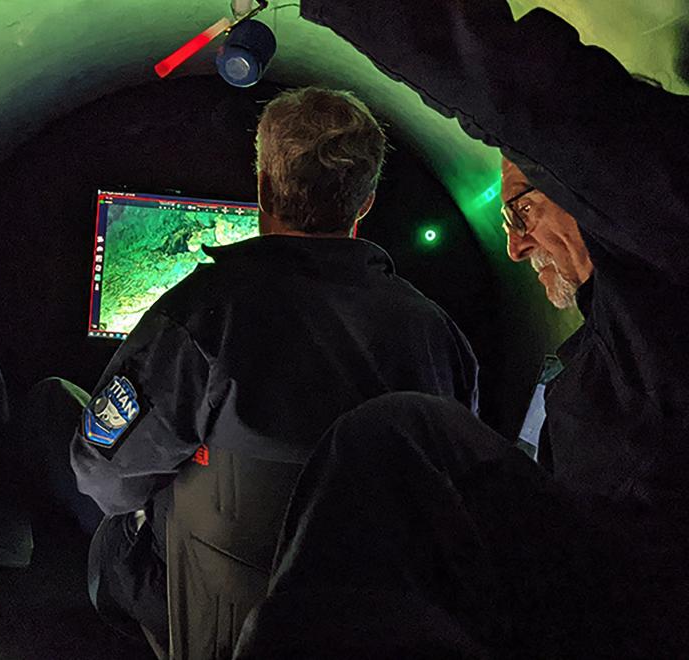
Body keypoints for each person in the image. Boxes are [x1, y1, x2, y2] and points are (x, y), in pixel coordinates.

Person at [233, 1, 689, 656]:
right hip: (581, 601)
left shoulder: (658, 247)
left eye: (519, 212)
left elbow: (533, 100)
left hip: (632, 606)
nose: (516, 247)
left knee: (400, 435)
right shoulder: (556, 345)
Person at [70, 87, 480, 656]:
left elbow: (101, 475)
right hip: (377, 628)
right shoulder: (441, 339)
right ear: (365, 203)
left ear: (262, 187)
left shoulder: (198, 320)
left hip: (224, 625)